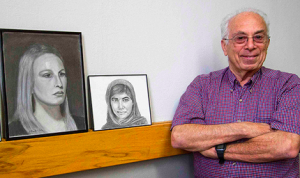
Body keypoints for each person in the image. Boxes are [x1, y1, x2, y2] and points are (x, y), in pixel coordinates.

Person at [171, 8, 300, 177]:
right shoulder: (202, 85)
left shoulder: (288, 83)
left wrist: (219, 150)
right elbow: (180, 137)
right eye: (241, 38)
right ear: (225, 46)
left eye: (258, 37)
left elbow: (287, 146)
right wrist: (244, 129)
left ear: (267, 43)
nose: (251, 45)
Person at [9, 44, 85, 137]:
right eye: (47, 75)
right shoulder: (14, 131)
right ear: (30, 84)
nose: (59, 84)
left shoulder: (82, 124)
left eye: (61, 74)